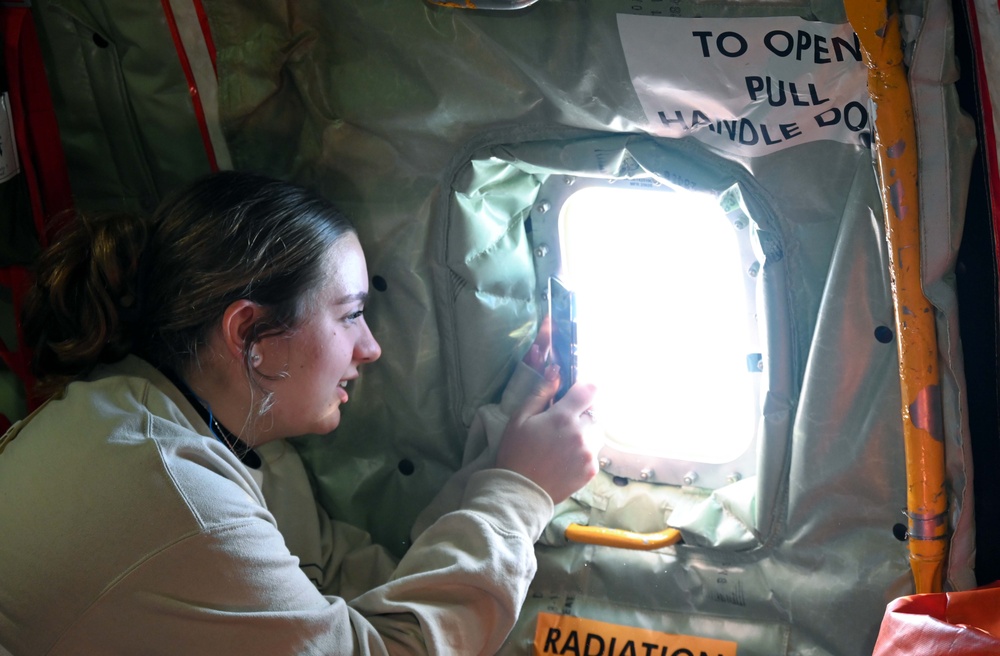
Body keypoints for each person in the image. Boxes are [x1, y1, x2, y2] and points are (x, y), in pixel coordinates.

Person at [0, 170, 600, 655]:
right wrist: (522, 493)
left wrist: (508, 444)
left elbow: (372, 591)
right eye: (349, 315)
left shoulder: (222, 441)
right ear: (250, 331)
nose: (371, 348)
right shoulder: (173, 496)